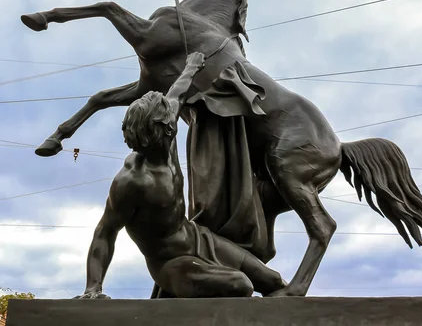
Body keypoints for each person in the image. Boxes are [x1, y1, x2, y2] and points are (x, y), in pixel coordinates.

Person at [76, 52, 287, 299]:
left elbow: (177, 92)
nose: (174, 127)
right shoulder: (131, 181)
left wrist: (192, 66)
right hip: (172, 265)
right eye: (169, 128)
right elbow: (105, 232)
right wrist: (93, 288)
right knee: (240, 285)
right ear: (157, 134)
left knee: (274, 281)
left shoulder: (165, 124)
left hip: (197, 237)